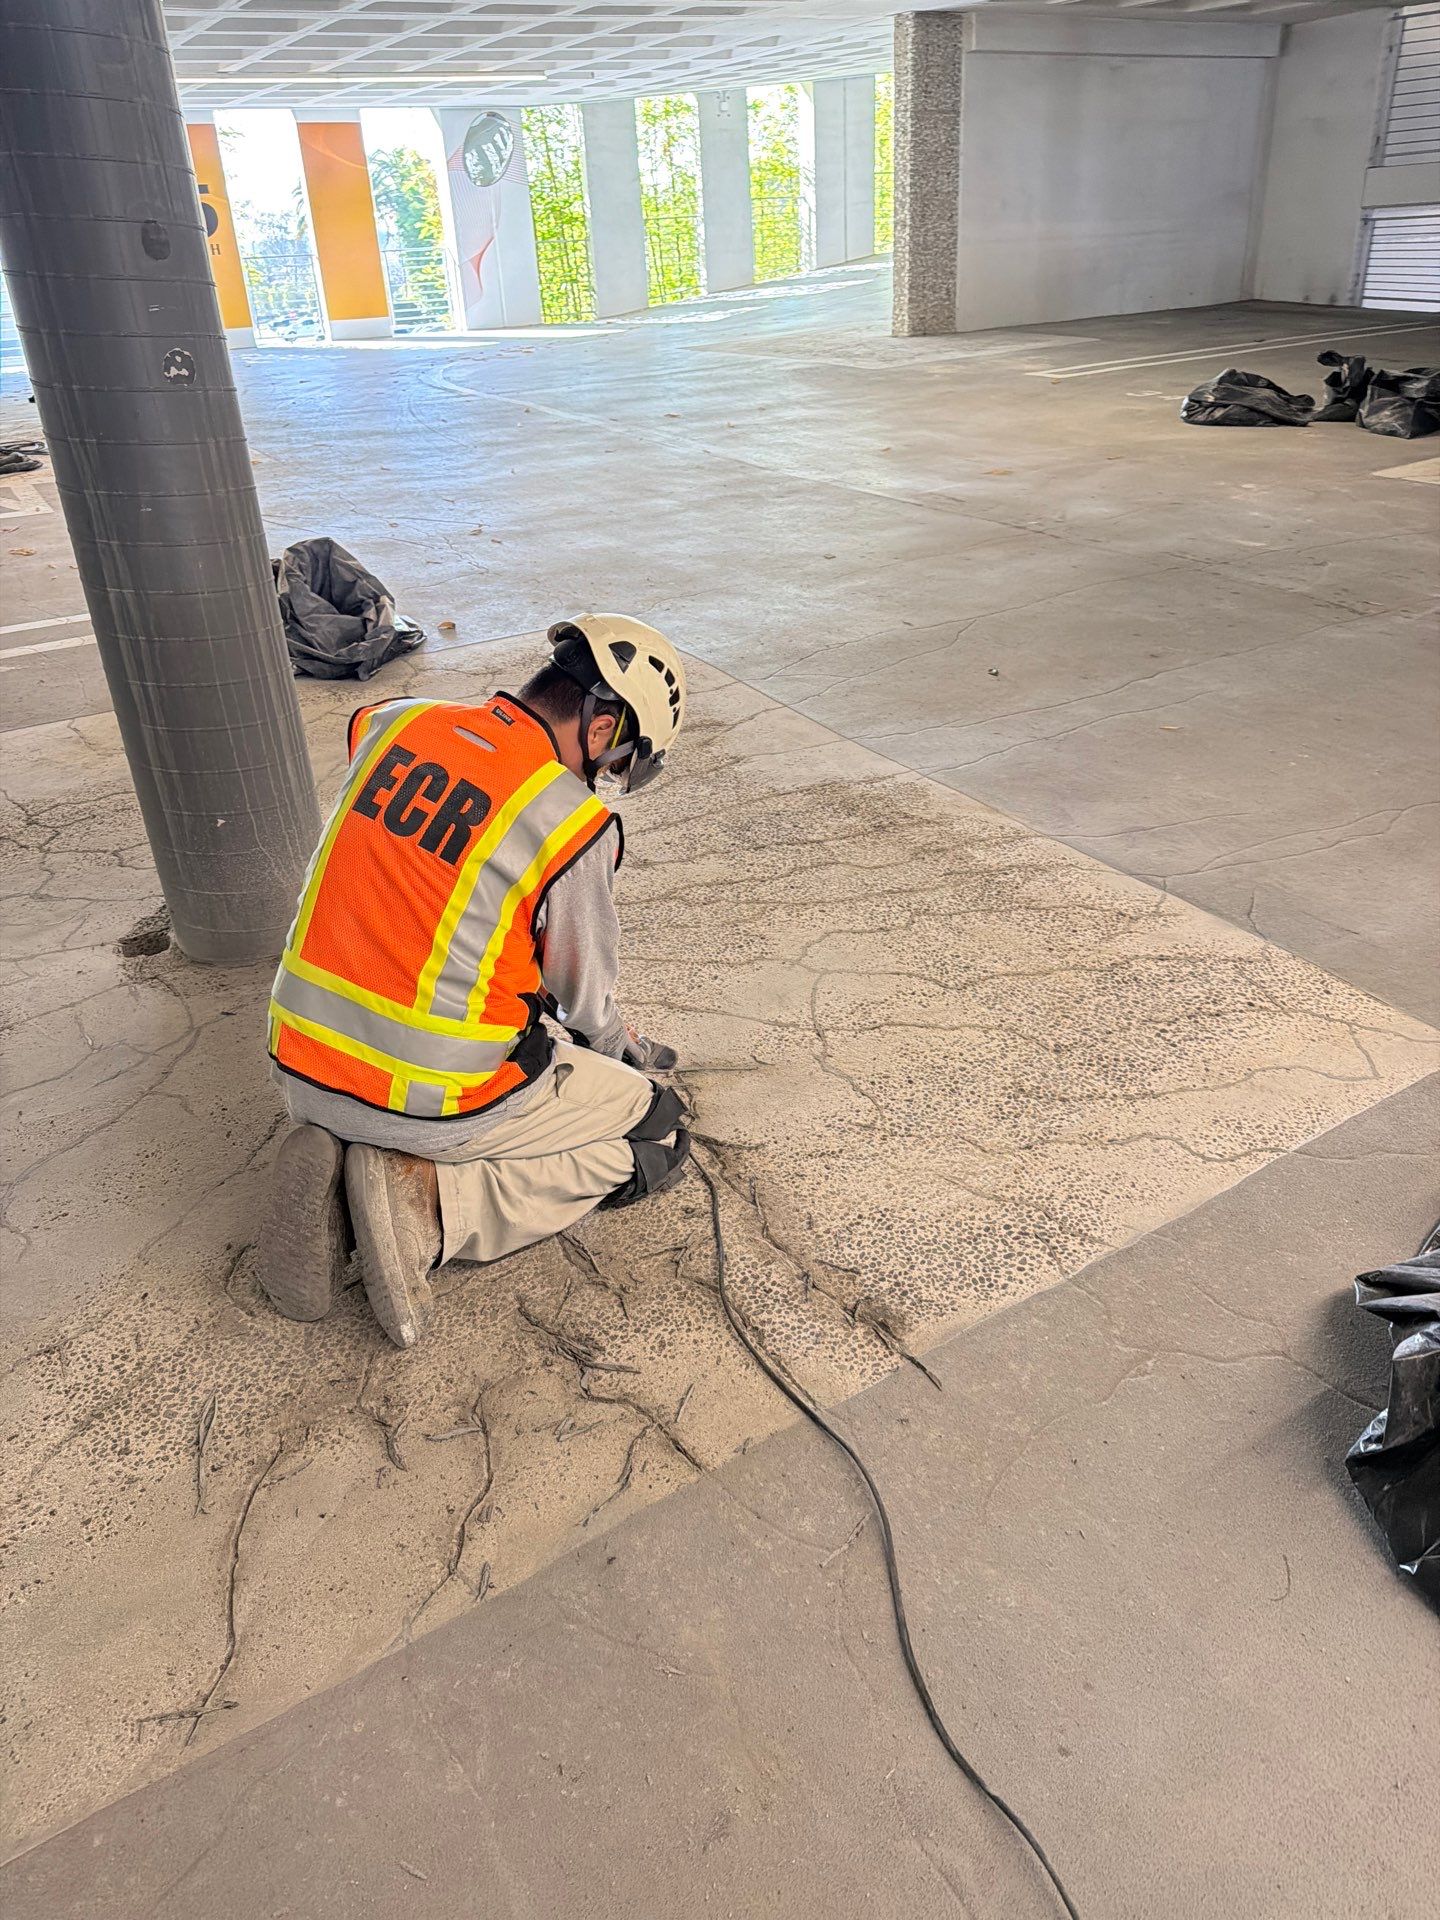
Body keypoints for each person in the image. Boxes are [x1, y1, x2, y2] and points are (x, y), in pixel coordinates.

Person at [257, 616, 691, 1349]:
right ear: (600, 728)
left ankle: (345, 1161)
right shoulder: (570, 824)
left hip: (299, 1063)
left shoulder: (393, 722)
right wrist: (626, 1054)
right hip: (430, 1098)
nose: (605, 782)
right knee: (657, 1131)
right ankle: (429, 1206)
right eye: (616, 764)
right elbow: (583, 1001)